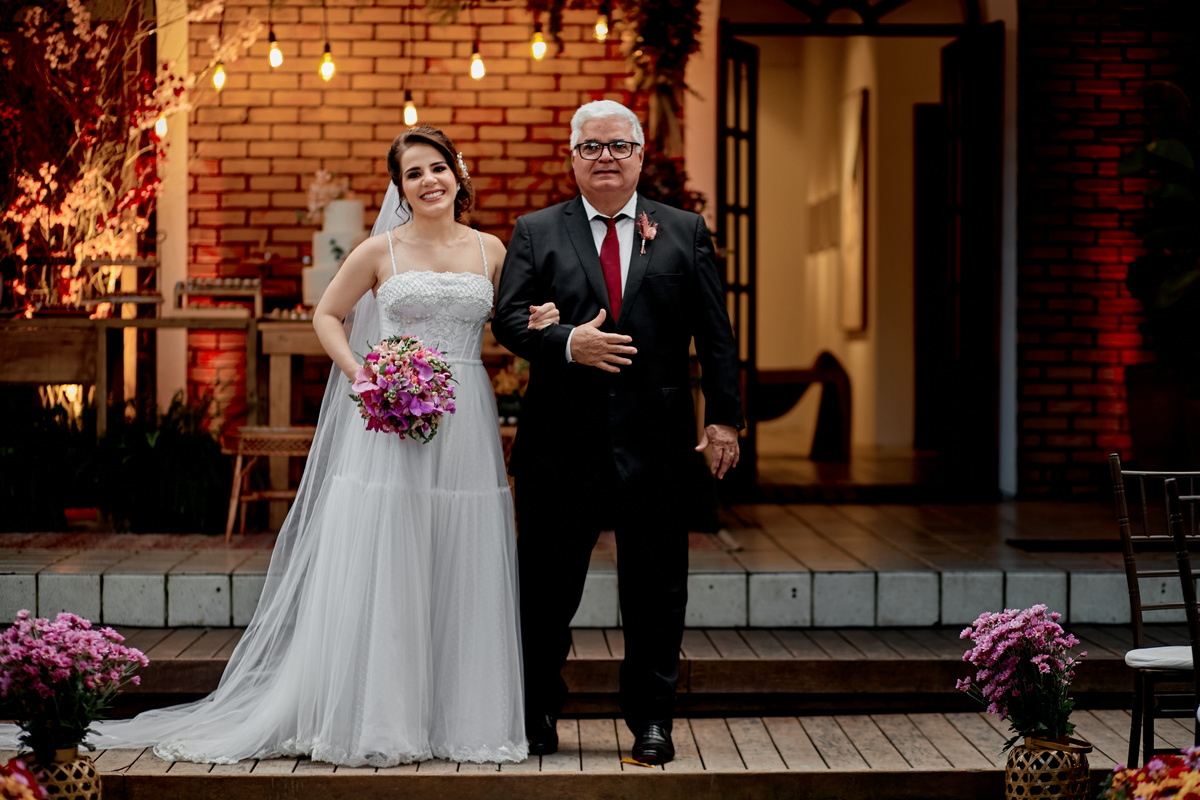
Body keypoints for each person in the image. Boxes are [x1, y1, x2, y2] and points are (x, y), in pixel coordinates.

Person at [0, 126, 548, 767]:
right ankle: (384, 718)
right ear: (399, 189)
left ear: (458, 172)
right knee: (393, 554)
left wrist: (541, 319)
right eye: (413, 174)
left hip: (465, 421)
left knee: (458, 553)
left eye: (438, 168)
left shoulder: (492, 249)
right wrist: (365, 376)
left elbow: (517, 317)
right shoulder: (380, 251)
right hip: (392, 418)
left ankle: (460, 721)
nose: (429, 181)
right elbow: (326, 315)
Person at [491, 100, 744, 765]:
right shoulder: (536, 231)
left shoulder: (684, 231)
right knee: (546, 592)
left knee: (656, 592)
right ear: (572, 157)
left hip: (657, 443)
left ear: (640, 156)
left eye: (619, 146)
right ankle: (538, 712)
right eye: (592, 146)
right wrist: (570, 341)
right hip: (559, 443)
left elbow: (716, 336)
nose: (606, 156)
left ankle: (652, 721)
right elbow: (507, 322)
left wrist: (723, 418)